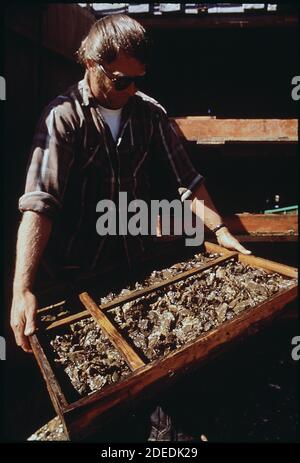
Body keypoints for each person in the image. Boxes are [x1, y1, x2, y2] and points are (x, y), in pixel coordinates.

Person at [10, 14, 250, 440]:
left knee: (145, 377)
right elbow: (40, 203)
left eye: (138, 79)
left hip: (131, 270)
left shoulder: (150, 114)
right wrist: (21, 287)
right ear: (91, 63)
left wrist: (219, 230)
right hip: (75, 277)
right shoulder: (63, 118)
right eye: (122, 80)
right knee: (93, 392)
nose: (131, 89)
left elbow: (187, 181)